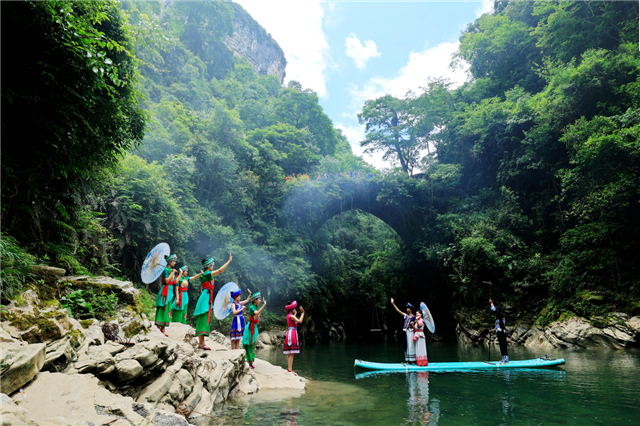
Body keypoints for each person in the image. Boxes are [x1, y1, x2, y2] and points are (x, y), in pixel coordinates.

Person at [193, 253, 233, 350]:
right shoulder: (206, 273)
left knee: (205, 318)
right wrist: (229, 261)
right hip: (205, 298)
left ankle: (201, 343)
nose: (213, 266)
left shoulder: (207, 275)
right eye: (212, 265)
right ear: (209, 266)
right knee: (203, 318)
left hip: (207, 297)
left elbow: (210, 285)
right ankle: (201, 344)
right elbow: (220, 270)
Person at [155, 254, 181, 336]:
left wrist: (180, 273)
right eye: (174, 261)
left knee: (167, 310)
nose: (175, 263)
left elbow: (175, 281)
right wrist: (172, 273)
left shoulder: (170, 270)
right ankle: (159, 328)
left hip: (170, 292)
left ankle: (163, 329)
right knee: (163, 308)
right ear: (170, 261)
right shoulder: (166, 270)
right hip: (165, 291)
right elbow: (166, 281)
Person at [242, 292, 267, 369]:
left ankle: (251, 361)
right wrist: (264, 305)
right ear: (255, 300)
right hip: (251, 327)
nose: (260, 300)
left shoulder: (255, 306)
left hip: (254, 326)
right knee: (250, 344)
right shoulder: (252, 308)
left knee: (253, 344)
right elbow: (257, 313)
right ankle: (249, 363)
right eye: (259, 299)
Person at [390, 298, 416, 363]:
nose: (407, 309)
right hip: (405, 332)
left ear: (411, 309)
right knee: (405, 345)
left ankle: (413, 360)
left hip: (411, 332)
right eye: (407, 308)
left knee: (411, 345)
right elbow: (398, 310)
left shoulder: (414, 317)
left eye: (408, 308)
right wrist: (393, 303)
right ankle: (407, 360)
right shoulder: (406, 315)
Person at [283, 301, 304, 375]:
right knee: (292, 352)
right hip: (292, 333)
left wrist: (295, 313)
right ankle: (290, 369)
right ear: (292, 309)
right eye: (294, 308)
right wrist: (302, 313)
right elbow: (300, 321)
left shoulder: (289, 315)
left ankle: (290, 368)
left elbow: (294, 319)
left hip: (291, 332)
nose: (295, 309)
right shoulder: (291, 316)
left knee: (291, 352)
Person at [490, 298, 509, 363]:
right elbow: (498, 325)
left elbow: (493, 310)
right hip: (499, 332)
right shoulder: (498, 317)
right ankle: (503, 358)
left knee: (503, 344)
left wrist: (491, 303)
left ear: (498, 310)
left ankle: (506, 359)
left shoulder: (501, 315)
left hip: (502, 332)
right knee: (501, 345)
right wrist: (492, 330)